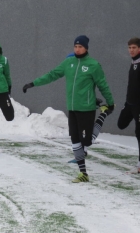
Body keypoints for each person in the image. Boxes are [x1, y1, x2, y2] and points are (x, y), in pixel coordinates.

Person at [23, 35, 114, 183]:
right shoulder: (68, 62)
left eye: (80, 47)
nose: (77, 49)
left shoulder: (93, 65)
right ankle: (83, 173)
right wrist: (33, 83)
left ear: (86, 48)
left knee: (88, 141)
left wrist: (110, 103)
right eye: (75, 46)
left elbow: (103, 85)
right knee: (75, 141)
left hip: (87, 109)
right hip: (72, 108)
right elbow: (52, 75)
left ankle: (103, 114)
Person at [117, 37, 140, 174]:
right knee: (121, 124)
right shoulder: (134, 62)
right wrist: (127, 102)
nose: (131, 50)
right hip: (130, 104)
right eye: (129, 48)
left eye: (134, 48)